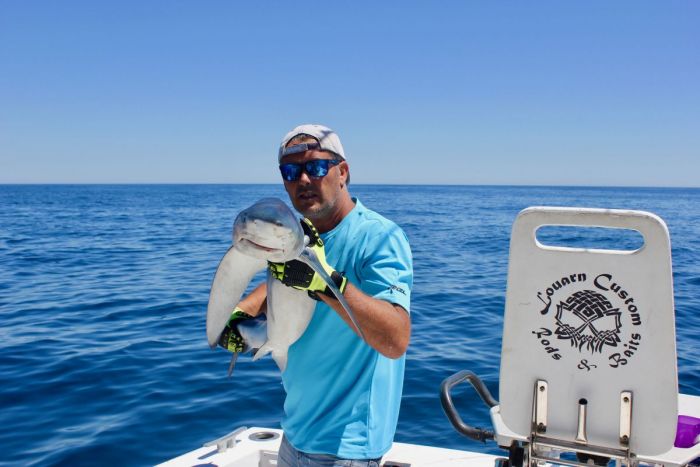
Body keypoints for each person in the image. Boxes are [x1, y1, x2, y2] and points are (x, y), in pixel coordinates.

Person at [218, 124, 413, 466]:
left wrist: (326, 284)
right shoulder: (298, 235)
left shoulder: (380, 237)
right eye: (291, 171)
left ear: (343, 172)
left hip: (347, 450)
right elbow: (280, 281)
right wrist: (236, 316)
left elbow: (395, 338)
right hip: (295, 434)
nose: (303, 180)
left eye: (317, 167)